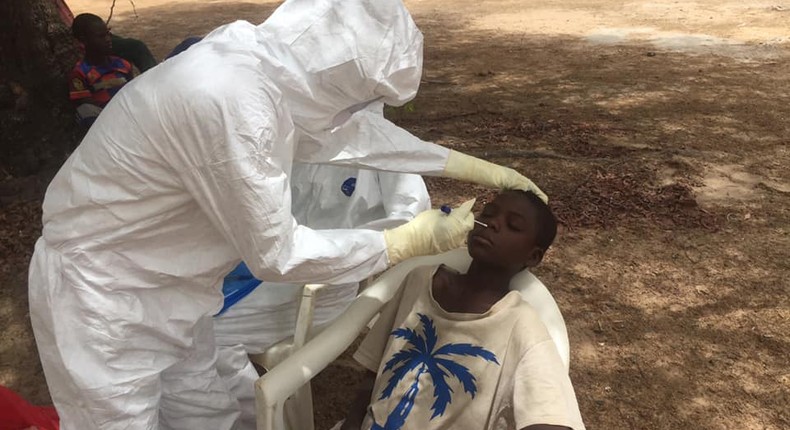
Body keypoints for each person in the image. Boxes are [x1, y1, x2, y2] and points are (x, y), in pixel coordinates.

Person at [28, 0, 548, 428]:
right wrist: (399, 242)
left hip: (171, 286)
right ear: (337, 71)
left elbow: (344, 133)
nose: (356, 113)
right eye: (359, 97)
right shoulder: (228, 99)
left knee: (205, 408)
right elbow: (277, 253)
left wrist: (464, 164)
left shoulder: (264, 66)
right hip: (102, 296)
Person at [338, 190, 585, 430]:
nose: (492, 224)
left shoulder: (521, 325)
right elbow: (376, 370)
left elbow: (552, 417)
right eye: (488, 214)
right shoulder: (419, 281)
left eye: (513, 226)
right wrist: (352, 422)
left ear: (533, 256)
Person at [214, 163, 432, 430]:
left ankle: (253, 421)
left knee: (209, 330)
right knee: (190, 309)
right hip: (269, 268)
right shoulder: (296, 132)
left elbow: (412, 221)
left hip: (325, 285)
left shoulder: (382, 149)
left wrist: (359, 248)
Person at [67, 13, 134, 127]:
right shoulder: (80, 73)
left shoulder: (123, 65)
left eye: (108, 34)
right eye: (101, 36)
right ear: (84, 40)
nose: (108, 39)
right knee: (85, 111)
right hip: (104, 120)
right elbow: (84, 102)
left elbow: (133, 91)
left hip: (129, 112)